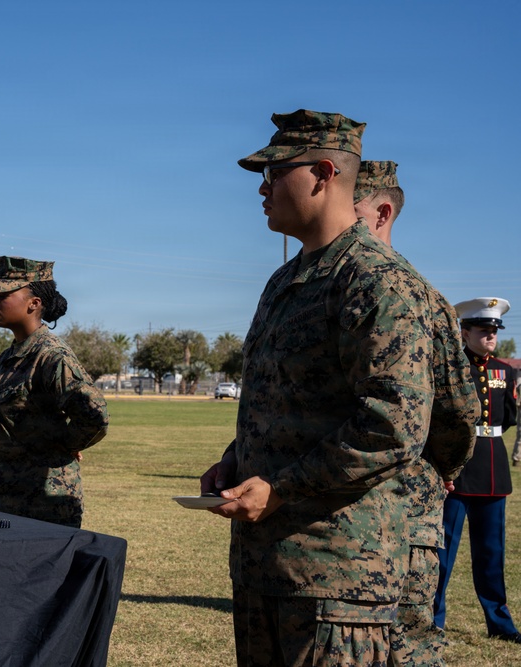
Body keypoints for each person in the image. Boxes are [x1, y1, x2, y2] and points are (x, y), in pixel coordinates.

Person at [200, 109, 439, 666]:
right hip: (268, 566)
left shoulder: (379, 282)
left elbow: (393, 424)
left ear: (324, 173)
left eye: (275, 172)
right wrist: (234, 460)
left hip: (338, 576)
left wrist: (280, 487)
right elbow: (279, 401)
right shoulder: (285, 281)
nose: (263, 188)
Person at [354, 161, 480, 665]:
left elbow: (457, 410)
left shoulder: (417, 296)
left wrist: (437, 471)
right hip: (346, 527)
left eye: (352, 210)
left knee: (405, 644)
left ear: (383, 213)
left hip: (404, 513)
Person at [0, 256, 108, 528]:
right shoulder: (8, 356)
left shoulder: (51, 356)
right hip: (1, 496)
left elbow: (95, 416)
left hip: (43, 503)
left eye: (3, 294)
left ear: (34, 303)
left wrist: (63, 444)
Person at [434, 297, 520, 642]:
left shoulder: (505, 370)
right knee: (442, 555)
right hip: (456, 472)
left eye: (494, 332)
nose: (490, 337)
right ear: (464, 332)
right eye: (483, 331)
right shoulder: (451, 369)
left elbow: (510, 417)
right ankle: (432, 621)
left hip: (493, 471)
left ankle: (500, 625)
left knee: (492, 556)